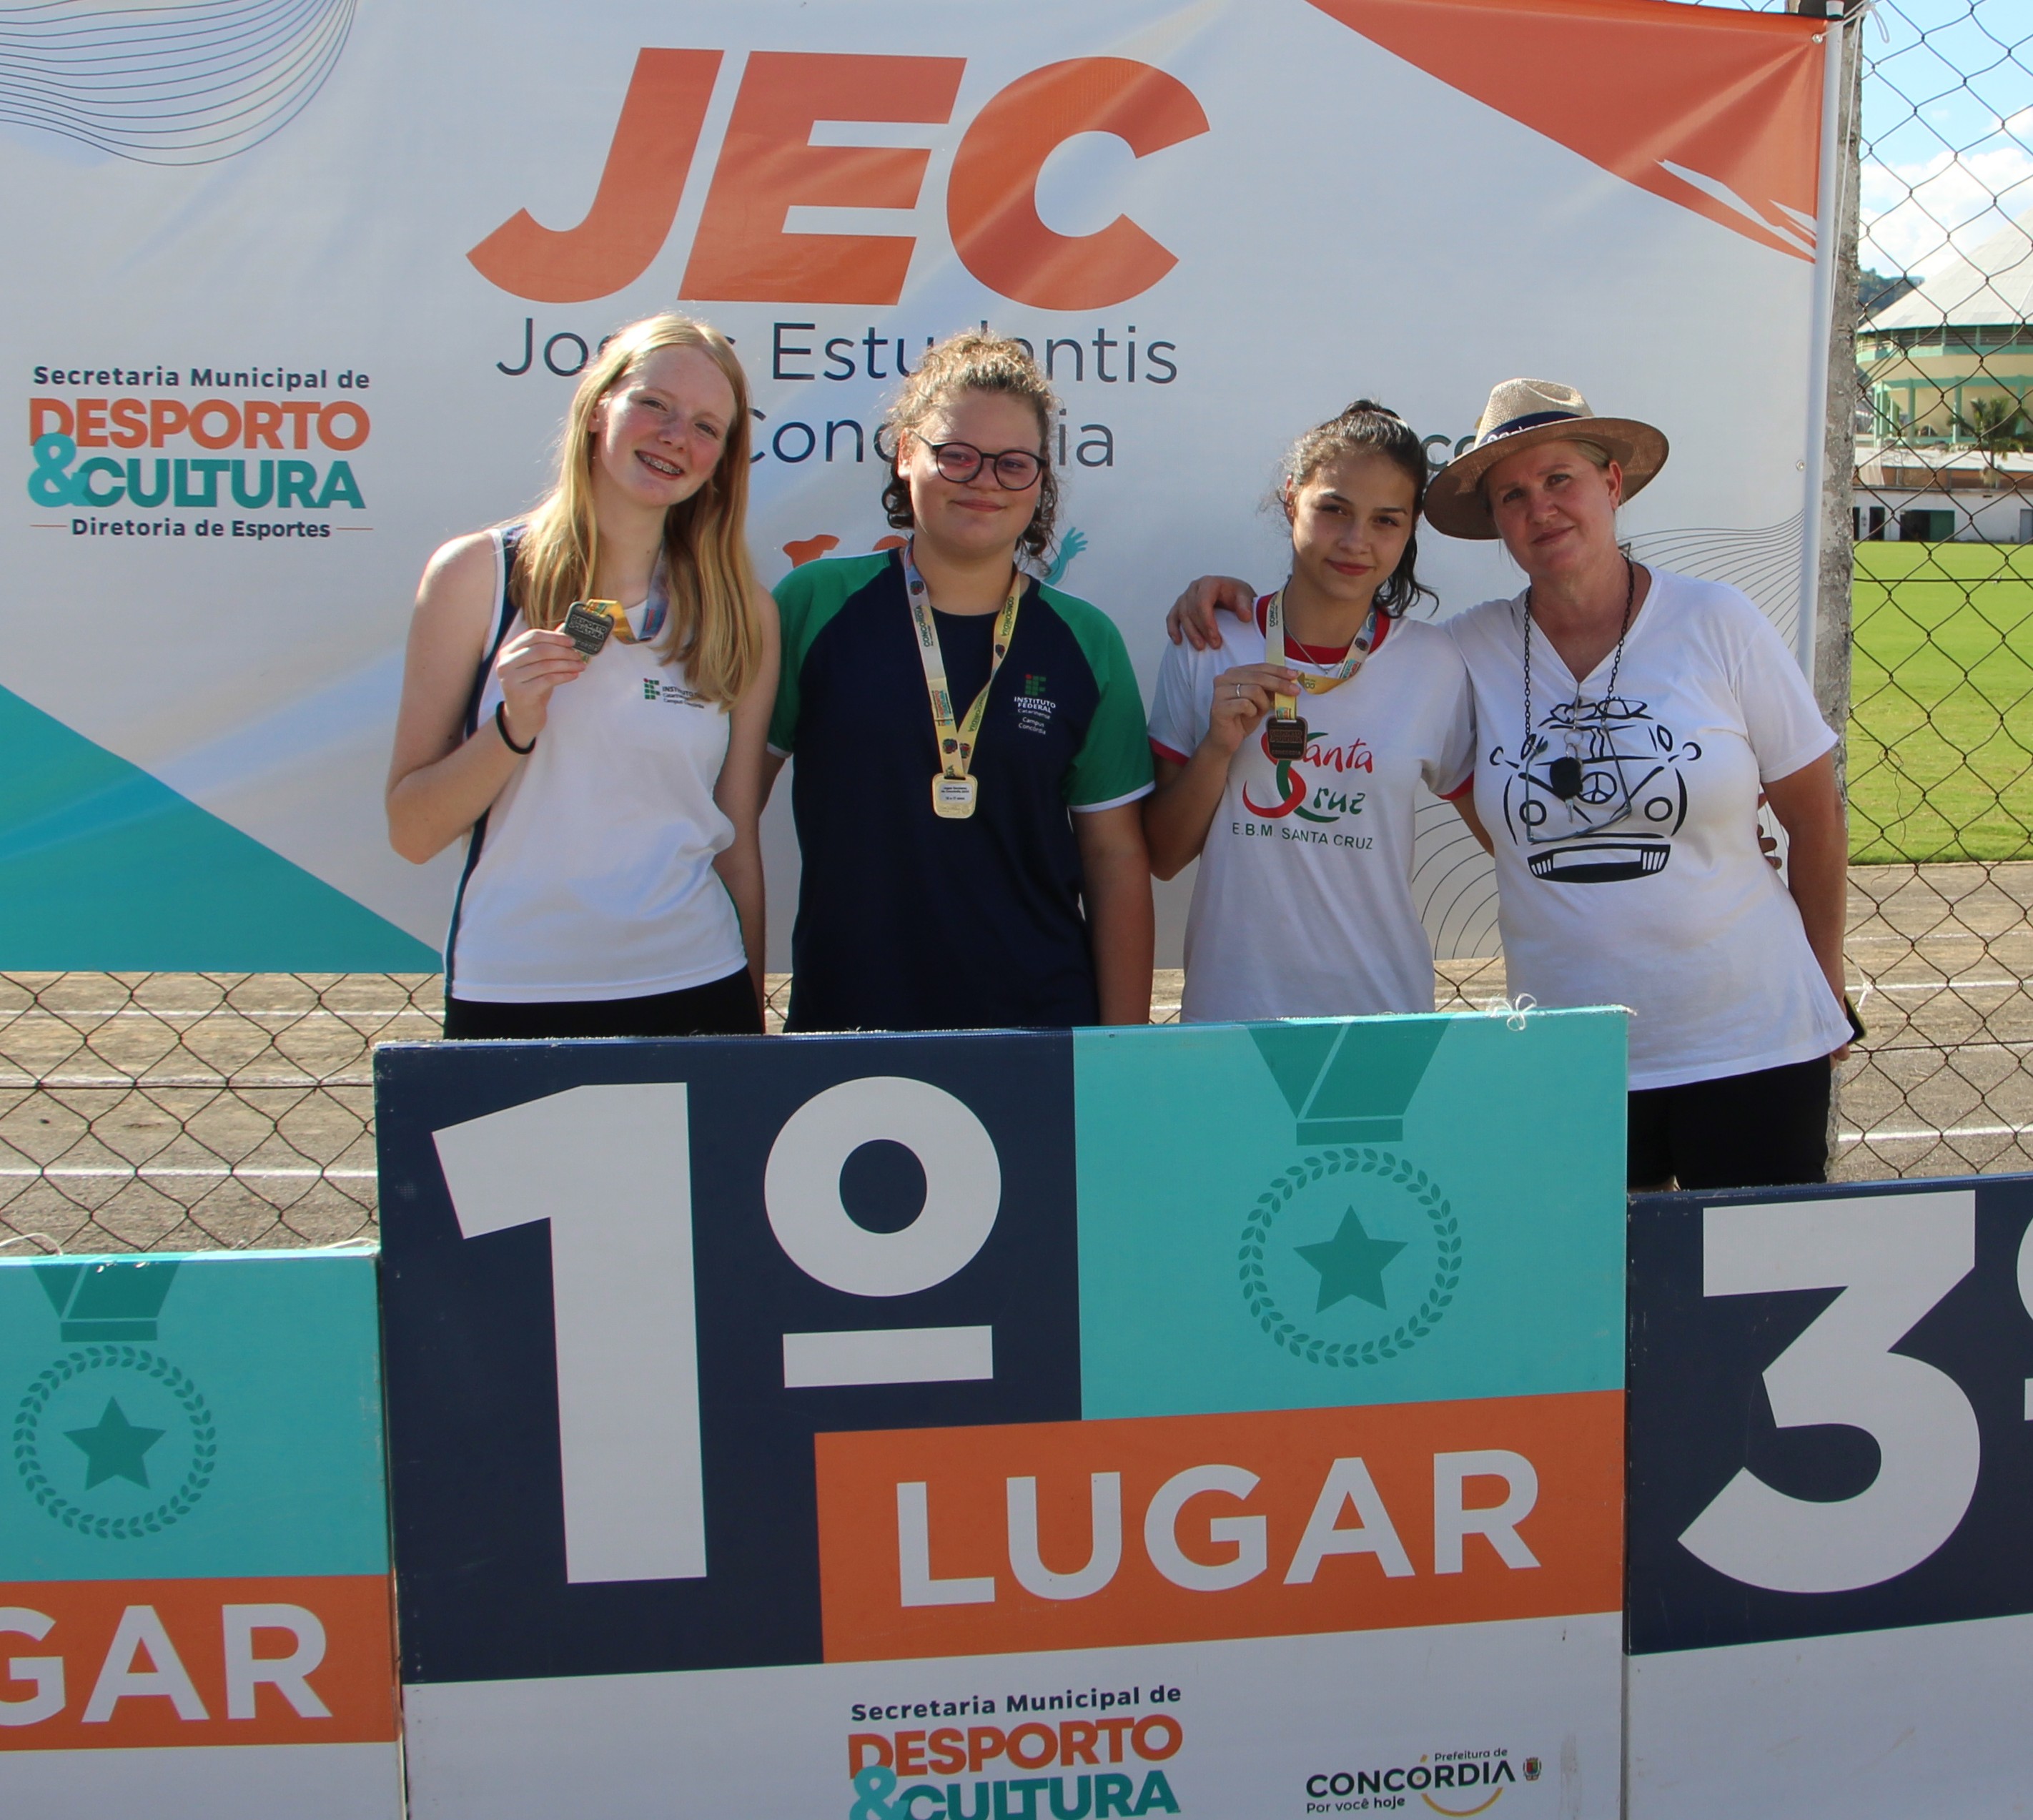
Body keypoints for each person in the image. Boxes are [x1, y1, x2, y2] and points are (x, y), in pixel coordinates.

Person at [386, 313, 778, 1039]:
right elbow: (412, 831)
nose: (675, 436)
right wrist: (513, 727)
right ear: (600, 408)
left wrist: (751, 1042)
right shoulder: (479, 575)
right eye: (654, 404)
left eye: (705, 427)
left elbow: (737, 846)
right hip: (517, 991)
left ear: (721, 461)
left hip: (697, 983)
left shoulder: (742, 611)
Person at [765, 330, 1154, 1032]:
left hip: (1036, 1029)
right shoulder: (812, 605)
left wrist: (1120, 1051)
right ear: (905, 454)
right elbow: (730, 814)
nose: (984, 481)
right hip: (846, 1026)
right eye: (957, 455)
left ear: (1040, 479)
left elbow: (1115, 856)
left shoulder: (1085, 640)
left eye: (1013, 463)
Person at [1144, 402, 1475, 1021]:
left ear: (1410, 531)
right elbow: (1162, 857)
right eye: (1334, 510)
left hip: (1382, 1014)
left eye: (1386, 521)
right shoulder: (1209, 642)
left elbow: (1506, 836)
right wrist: (1217, 749)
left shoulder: (1435, 663)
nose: (1356, 542)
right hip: (1233, 1011)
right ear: (1291, 498)